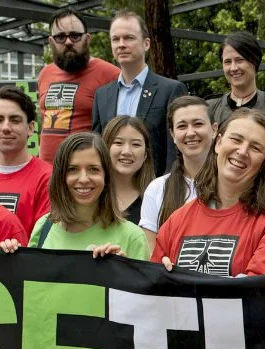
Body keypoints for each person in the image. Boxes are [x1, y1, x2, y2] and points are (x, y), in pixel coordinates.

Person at [153, 109, 265, 277]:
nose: (242, 151)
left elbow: (257, 292)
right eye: (236, 139)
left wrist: (179, 282)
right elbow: (150, 289)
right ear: (218, 143)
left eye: (256, 148)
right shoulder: (177, 221)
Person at [2, 132, 147, 259]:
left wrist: (123, 270)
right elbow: (30, 287)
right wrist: (10, 257)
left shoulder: (133, 237)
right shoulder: (43, 227)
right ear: (60, 177)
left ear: (106, 176)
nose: (83, 179)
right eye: (72, 169)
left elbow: (142, 290)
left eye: (93, 169)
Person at [92, 10, 188, 177]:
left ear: (146, 44)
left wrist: (167, 191)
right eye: (115, 39)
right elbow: (97, 148)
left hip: (156, 190)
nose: (121, 44)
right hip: (112, 193)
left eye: (129, 38)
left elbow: (175, 150)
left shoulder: (171, 90)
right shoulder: (102, 95)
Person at [37, 7, 121, 162]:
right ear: (51, 42)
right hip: (47, 175)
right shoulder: (44, 74)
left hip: (85, 173)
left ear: (87, 39)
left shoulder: (110, 75)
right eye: (60, 37)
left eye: (75, 36)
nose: (68, 42)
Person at [139, 96, 215, 251]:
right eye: (182, 126)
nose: (190, 132)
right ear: (173, 135)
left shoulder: (233, 185)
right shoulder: (157, 189)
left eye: (198, 124)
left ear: (214, 129)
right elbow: (151, 253)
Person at [0, 86, 53, 234]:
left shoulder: (49, 178)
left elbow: (44, 239)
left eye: (15, 120)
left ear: (31, 128)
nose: (6, 127)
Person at [206, 31, 265, 128]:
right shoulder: (210, 108)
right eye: (227, 62)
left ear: (254, 61)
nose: (233, 68)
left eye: (240, 60)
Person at [101, 115, 154, 224]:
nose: (126, 152)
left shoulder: (157, 198)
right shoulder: (91, 194)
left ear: (145, 154)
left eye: (136, 144)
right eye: (118, 143)